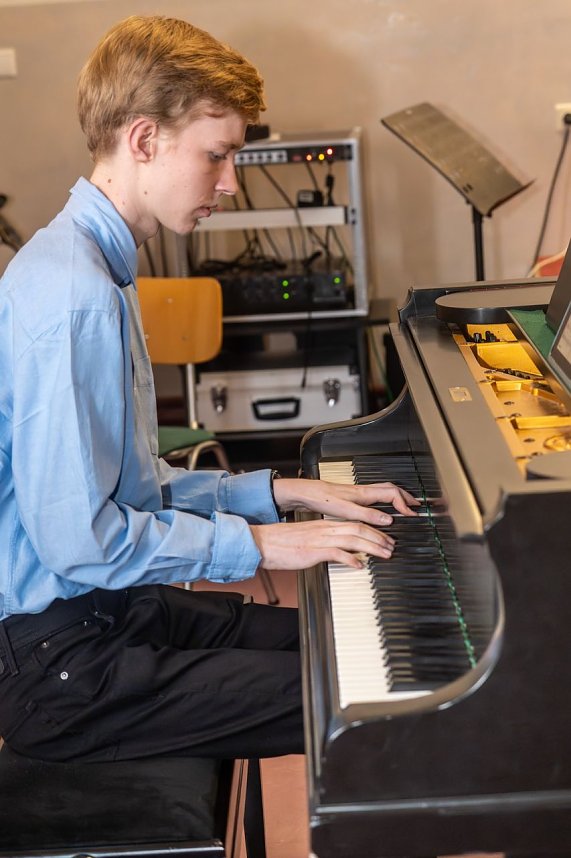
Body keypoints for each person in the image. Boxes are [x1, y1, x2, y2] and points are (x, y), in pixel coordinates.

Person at [0, 15, 419, 764]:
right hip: (58, 667)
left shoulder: (95, 263)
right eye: (216, 155)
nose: (230, 183)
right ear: (143, 140)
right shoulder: (72, 293)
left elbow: (134, 491)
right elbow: (80, 540)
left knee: (357, 641)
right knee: (385, 698)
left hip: (103, 613)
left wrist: (289, 493)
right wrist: (261, 544)